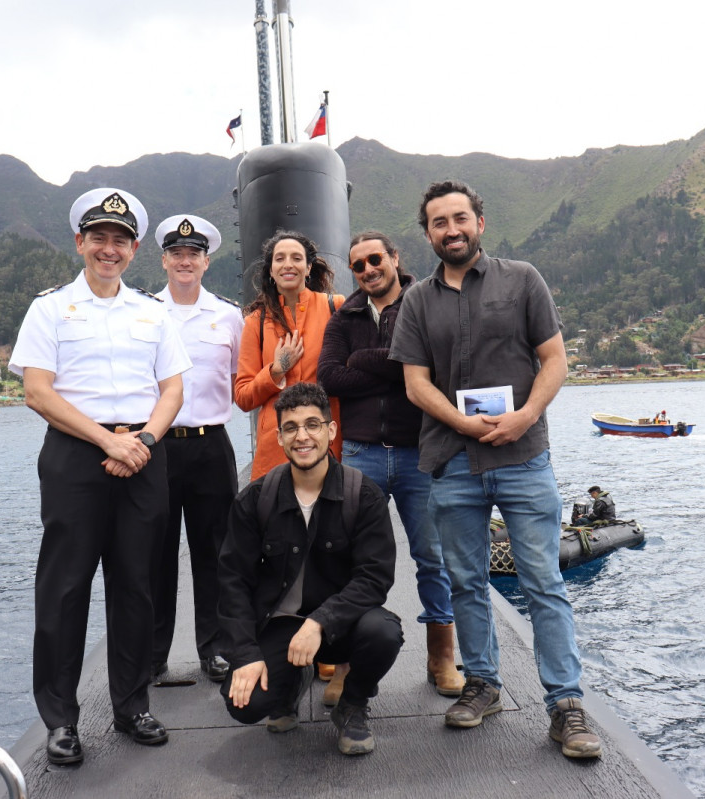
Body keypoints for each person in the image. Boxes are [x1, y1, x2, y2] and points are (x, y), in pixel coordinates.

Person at [389, 179, 602, 759]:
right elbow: (415, 383)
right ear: (428, 232)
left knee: (543, 581)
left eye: (460, 218)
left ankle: (565, 704)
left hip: (523, 456)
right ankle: (483, 684)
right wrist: (464, 426)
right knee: (465, 581)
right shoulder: (417, 300)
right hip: (453, 462)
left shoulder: (523, 279)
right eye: (439, 222)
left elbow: (554, 358)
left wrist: (527, 414)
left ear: (479, 222)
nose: (451, 229)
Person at [9, 187, 191, 765]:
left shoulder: (151, 311)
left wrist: (142, 441)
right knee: (64, 590)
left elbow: (173, 389)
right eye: (98, 238)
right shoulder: (49, 309)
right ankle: (61, 720)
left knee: (137, 585)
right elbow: (37, 390)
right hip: (75, 457)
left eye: (119, 240)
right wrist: (107, 440)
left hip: (142, 452)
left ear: (134, 248)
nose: (108, 249)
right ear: (80, 242)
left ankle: (132, 704)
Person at [218, 382, 403, 756]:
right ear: (280, 437)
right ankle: (289, 685)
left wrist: (319, 622)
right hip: (279, 626)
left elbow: (374, 577)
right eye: (291, 428)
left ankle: (353, 704)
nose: (302, 436)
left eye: (312, 425)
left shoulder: (363, 496)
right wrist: (246, 655)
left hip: (340, 625)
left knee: (383, 632)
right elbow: (233, 580)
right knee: (245, 704)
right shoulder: (255, 500)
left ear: (331, 431)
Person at [317, 230, 463, 700]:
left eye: (375, 259)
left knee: (432, 559)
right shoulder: (345, 316)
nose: (368, 270)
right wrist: (396, 367)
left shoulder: (421, 304)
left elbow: (434, 370)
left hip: (419, 452)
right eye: (357, 265)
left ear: (394, 259)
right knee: (346, 559)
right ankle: (343, 662)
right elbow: (330, 377)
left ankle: (441, 656)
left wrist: (367, 359)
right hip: (361, 454)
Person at [150, 214, 242, 684]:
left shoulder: (228, 315)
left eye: (194, 254)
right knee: (155, 555)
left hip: (210, 446)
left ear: (207, 262)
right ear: (164, 260)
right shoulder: (144, 311)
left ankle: (216, 649)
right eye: (177, 254)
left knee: (216, 553)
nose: (185, 261)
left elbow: (236, 382)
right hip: (158, 447)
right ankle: (154, 657)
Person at [234, 230, 343, 480]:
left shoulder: (335, 307)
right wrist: (276, 370)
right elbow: (242, 396)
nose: (288, 265)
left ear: (308, 267)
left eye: (296, 258)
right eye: (279, 259)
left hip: (326, 444)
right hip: (276, 449)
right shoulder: (256, 322)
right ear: (271, 271)